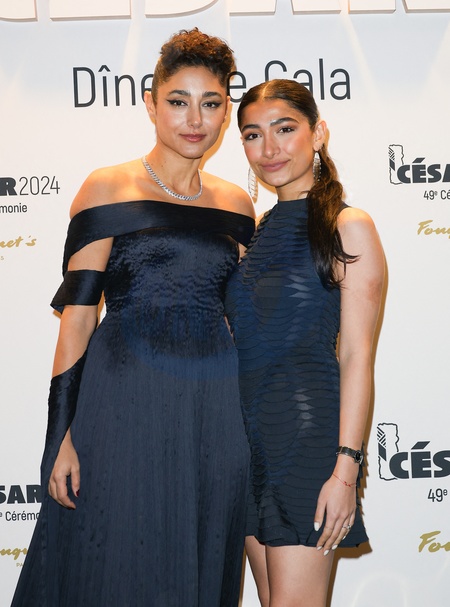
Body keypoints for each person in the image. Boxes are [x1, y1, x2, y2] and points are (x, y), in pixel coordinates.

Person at [11, 28, 255, 607]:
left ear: (225, 111)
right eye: (178, 101)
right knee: (116, 555)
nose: (194, 119)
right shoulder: (106, 187)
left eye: (210, 103)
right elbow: (77, 319)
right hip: (122, 401)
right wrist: (59, 436)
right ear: (150, 103)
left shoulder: (237, 203)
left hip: (215, 409)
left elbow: (245, 317)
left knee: (202, 554)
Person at [225, 79, 385, 607]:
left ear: (318, 133)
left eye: (284, 129)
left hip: (306, 443)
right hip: (247, 446)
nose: (268, 148)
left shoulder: (347, 226)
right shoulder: (254, 233)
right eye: (253, 135)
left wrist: (346, 470)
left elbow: (356, 355)